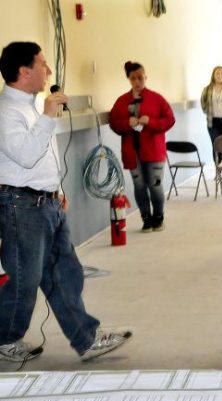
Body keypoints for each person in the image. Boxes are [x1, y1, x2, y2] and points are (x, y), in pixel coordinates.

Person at [0, 41, 133, 363]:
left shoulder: (33, 106)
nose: (48, 71)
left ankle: (86, 339)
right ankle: (4, 338)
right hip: (21, 207)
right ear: (24, 71)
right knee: (24, 281)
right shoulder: (7, 112)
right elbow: (26, 157)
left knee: (65, 274)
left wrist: (57, 189)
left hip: (46, 203)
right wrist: (48, 116)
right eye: (42, 64)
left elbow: (46, 156)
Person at [110, 61, 175, 232]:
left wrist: (151, 122)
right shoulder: (122, 101)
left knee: (155, 185)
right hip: (132, 151)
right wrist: (127, 123)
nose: (137, 82)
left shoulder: (157, 99)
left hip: (154, 150)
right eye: (133, 79)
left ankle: (158, 217)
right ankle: (146, 218)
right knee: (139, 186)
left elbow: (170, 120)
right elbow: (114, 123)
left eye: (140, 78)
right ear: (129, 80)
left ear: (145, 77)